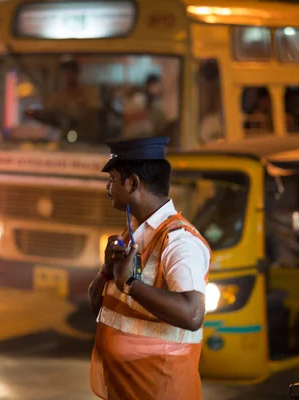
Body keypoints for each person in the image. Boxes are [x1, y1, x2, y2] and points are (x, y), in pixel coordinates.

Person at [88, 137, 211, 400]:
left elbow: (192, 314)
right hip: (128, 389)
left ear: (132, 183)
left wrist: (131, 285)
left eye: (112, 179)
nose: (108, 188)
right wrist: (107, 271)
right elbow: (95, 306)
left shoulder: (179, 242)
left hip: (160, 391)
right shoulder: (135, 233)